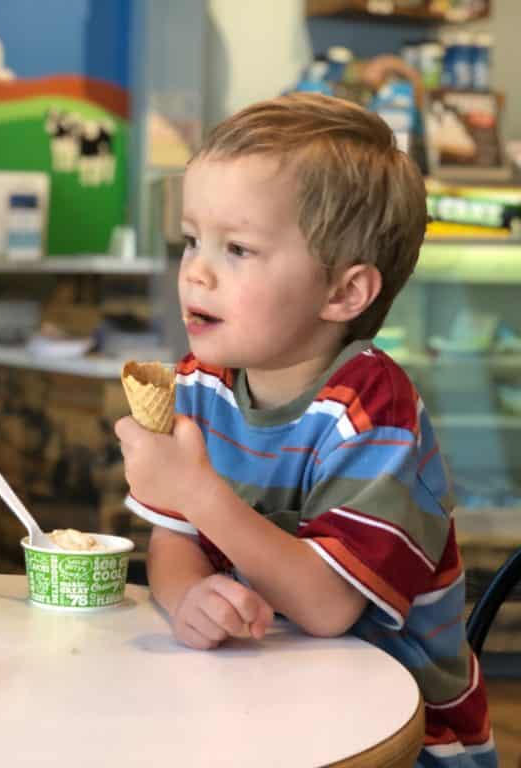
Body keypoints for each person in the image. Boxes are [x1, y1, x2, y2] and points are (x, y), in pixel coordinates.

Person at [115, 93, 495, 766]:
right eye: (191, 240)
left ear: (344, 294)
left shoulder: (374, 410)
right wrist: (189, 598)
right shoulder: (201, 383)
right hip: (264, 704)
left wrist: (199, 492)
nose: (196, 270)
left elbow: (326, 608)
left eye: (237, 248)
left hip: (400, 740)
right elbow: (172, 543)